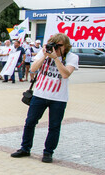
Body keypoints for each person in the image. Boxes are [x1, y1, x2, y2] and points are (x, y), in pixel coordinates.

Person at [11, 33, 78, 163]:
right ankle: (25, 148)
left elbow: (65, 74)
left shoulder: (72, 57)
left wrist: (56, 58)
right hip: (40, 94)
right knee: (30, 122)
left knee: (54, 126)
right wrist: (45, 56)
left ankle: (48, 152)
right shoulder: (44, 53)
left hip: (59, 98)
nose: (55, 48)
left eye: (59, 46)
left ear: (66, 46)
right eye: (54, 45)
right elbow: (33, 69)